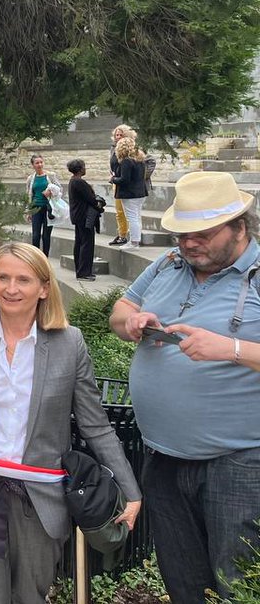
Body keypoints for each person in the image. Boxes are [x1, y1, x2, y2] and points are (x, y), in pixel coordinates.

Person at [0, 243, 141, 603]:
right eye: (2, 277)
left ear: (44, 287)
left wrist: (130, 489)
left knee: (30, 596)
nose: (11, 288)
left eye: (23, 279)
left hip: (40, 497)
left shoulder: (69, 343)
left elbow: (95, 424)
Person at [109, 172, 260, 602]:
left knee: (237, 584)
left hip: (239, 465)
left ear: (240, 227)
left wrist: (231, 348)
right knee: (184, 582)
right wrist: (132, 323)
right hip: (164, 458)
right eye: (182, 235)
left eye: (203, 234)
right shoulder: (167, 264)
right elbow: (119, 313)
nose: (190, 244)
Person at [68, 159, 102, 281]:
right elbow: (91, 199)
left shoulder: (73, 181)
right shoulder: (79, 182)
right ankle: (84, 272)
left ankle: (80, 270)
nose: (85, 168)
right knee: (86, 244)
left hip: (77, 216)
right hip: (84, 217)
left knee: (80, 243)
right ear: (80, 169)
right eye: (84, 166)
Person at [110, 137, 147, 249]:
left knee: (132, 218)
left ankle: (134, 242)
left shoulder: (126, 161)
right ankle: (136, 240)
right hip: (140, 192)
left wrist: (113, 179)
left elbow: (124, 180)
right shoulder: (139, 160)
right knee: (136, 217)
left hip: (130, 194)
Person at [108, 124, 135, 247]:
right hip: (116, 181)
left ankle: (131, 237)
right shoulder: (113, 148)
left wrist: (143, 176)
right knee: (119, 211)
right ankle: (121, 235)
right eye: (116, 135)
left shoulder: (132, 148)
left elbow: (148, 161)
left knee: (128, 212)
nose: (118, 137)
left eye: (120, 135)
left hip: (126, 183)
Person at [26, 155, 58, 256]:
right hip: (36, 208)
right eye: (37, 163)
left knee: (46, 235)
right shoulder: (30, 179)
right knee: (35, 235)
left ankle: (45, 258)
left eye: (41, 162)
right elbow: (29, 194)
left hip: (49, 209)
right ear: (33, 165)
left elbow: (59, 189)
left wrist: (50, 191)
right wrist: (29, 211)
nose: (40, 165)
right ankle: (36, 258)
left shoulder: (51, 176)